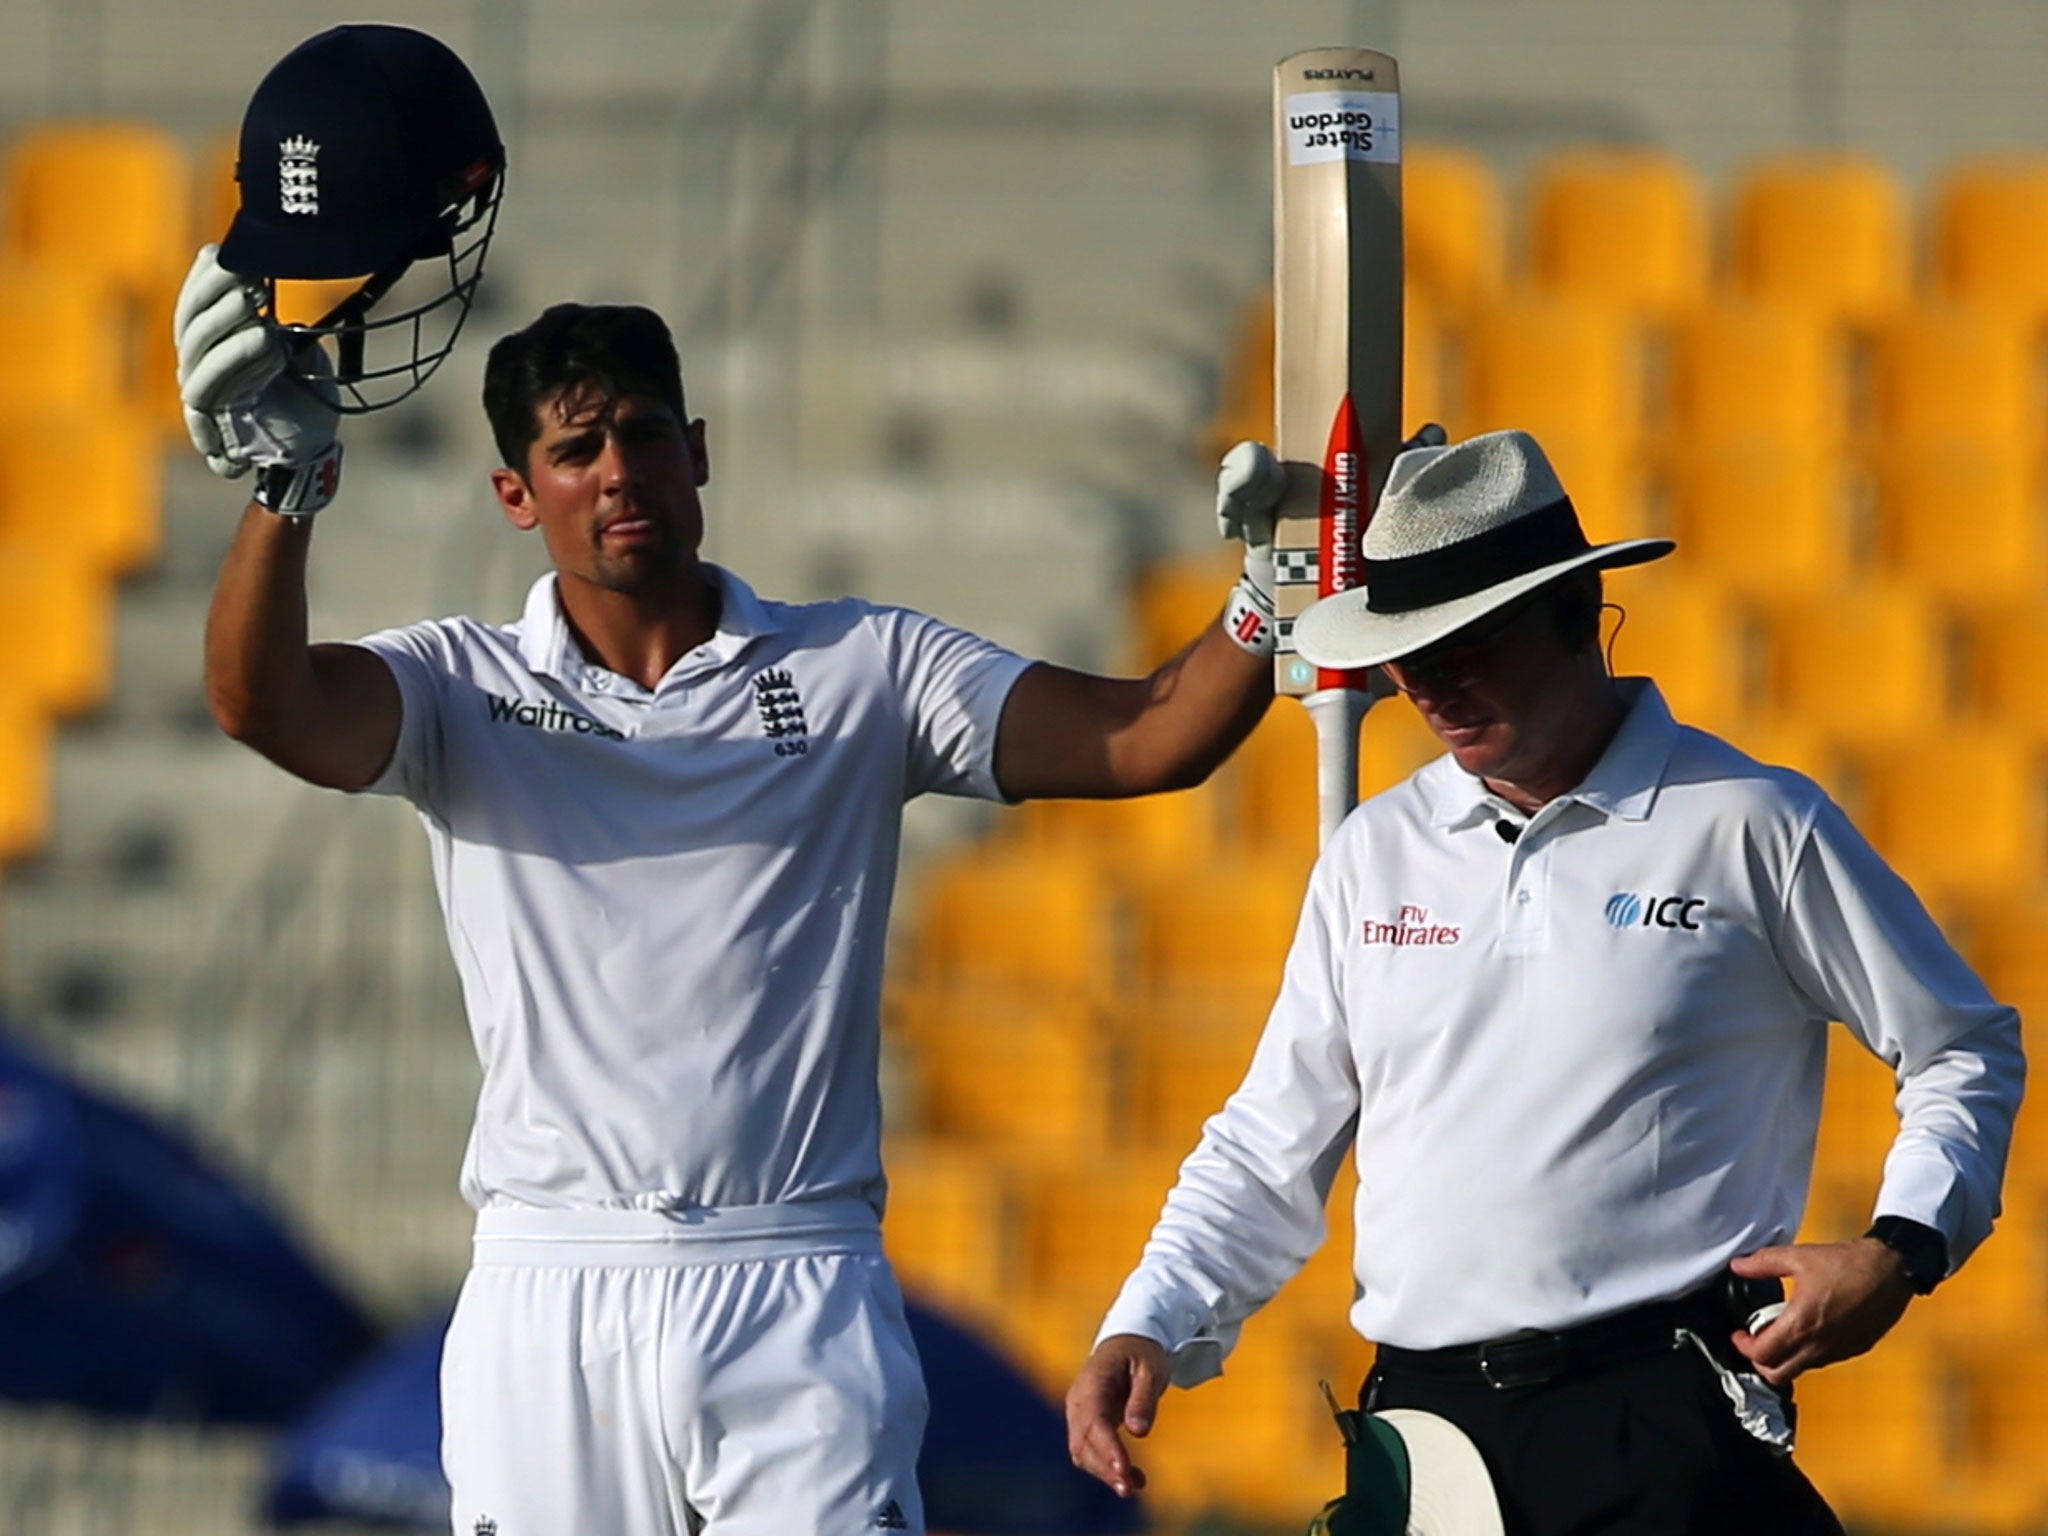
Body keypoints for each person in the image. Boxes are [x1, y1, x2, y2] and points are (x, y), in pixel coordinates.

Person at [178, 222, 1304, 1536]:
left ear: (699, 451)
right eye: (574, 450)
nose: (618, 473)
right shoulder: (460, 684)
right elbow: (258, 701)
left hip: (793, 1279)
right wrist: (286, 489)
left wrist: (1269, 587)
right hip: (554, 1284)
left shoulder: (862, 669)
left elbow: (1150, 738)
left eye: (646, 436)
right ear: (514, 494)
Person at [1065, 428, 2025, 1536]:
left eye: (1466, 641)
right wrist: (1146, 1319)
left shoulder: (1751, 823)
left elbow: (1959, 1047)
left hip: (1661, 1419)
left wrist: (1900, 1249)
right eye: (1407, 649)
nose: (1427, 680)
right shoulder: (1376, 849)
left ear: (1577, 615)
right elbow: (1268, 1142)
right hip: (1420, 1431)